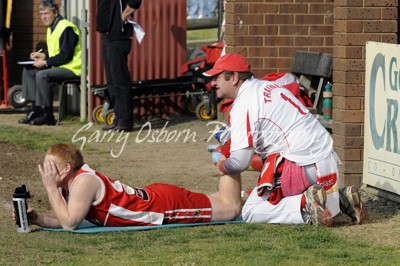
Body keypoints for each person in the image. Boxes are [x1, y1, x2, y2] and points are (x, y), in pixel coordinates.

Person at [203, 53, 366, 226]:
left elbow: (240, 162)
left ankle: (307, 206)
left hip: (303, 163)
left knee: (251, 210)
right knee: (268, 176)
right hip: (324, 160)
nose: (213, 83)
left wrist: (223, 165)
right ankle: (341, 199)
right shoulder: (265, 85)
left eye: (217, 77)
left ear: (234, 77)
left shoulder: (244, 103)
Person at [19, 143, 242, 229]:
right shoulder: (73, 184)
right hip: (158, 198)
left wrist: (50, 189)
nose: (44, 171)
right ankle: (246, 194)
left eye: (49, 166)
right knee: (220, 202)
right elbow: (66, 215)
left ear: (66, 169)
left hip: (164, 208)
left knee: (231, 209)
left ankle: (231, 156)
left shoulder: (83, 183)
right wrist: (38, 218)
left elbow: (70, 224)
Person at [18, 0, 81, 126]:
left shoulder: (66, 28)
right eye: (41, 14)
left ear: (56, 13)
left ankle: (48, 115)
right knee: (29, 70)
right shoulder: (51, 28)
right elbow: (55, 51)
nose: (43, 17)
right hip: (59, 66)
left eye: (46, 13)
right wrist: (42, 55)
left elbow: (65, 56)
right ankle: (36, 110)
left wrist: (45, 62)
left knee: (42, 75)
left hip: (72, 69)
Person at [96, 0, 142, 132]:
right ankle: (118, 119)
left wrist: (123, 16)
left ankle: (125, 121)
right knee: (112, 82)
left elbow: (136, 1)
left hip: (118, 37)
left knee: (120, 80)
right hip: (107, 36)